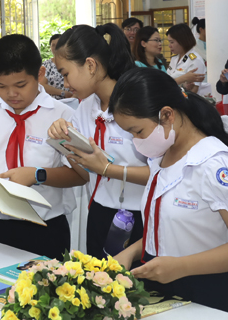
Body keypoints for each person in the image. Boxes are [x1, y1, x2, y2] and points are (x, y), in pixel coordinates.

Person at [110, 68, 228, 312]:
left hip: (206, 293)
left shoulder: (214, 163)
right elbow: (169, 227)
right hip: (163, 287)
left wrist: (181, 267)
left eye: (137, 131)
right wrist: (132, 252)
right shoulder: (163, 154)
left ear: (167, 115)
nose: (136, 141)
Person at [0, 35, 84, 260]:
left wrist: (37, 175)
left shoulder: (63, 116)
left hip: (45, 226)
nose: (11, 94)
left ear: (39, 74)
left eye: (20, 85)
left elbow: (79, 176)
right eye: (1, 86)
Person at [48, 23, 149, 259]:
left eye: (65, 74)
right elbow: (86, 175)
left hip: (141, 216)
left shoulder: (138, 103)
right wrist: (66, 145)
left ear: (90, 65)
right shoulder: (85, 108)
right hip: (100, 213)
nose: (65, 84)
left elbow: (163, 173)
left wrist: (107, 168)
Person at [166, 23, 208, 95]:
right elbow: (167, 81)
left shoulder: (195, 60)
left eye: (172, 42)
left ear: (182, 41)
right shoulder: (174, 59)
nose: (169, 46)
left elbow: (193, 91)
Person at [40, 33, 69, 100]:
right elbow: (42, 85)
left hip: (72, 101)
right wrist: (63, 93)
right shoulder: (46, 65)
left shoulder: (72, 62)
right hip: (52, 102)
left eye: (58, 44)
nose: (56, 47)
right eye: (53, 45)